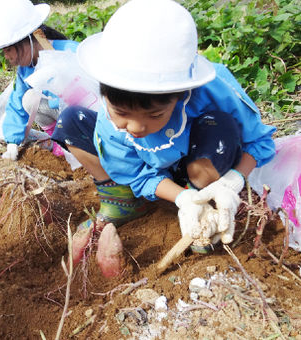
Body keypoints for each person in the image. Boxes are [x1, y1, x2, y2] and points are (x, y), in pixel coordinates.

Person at [51, 0, 276, 275]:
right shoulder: (111, 124)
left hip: (196, 162)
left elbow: (260, 142)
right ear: (105, 93)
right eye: (121, 112)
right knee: (71, 120)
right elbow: (136, 173)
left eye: (155, 115)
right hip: (156, 173)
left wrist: (232, 181)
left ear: (181, 94)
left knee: (218, 127)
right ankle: (123, 202)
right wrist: (182, 199)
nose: (134, 127)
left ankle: (205, 208)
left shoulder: (214, 90)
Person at [0, 0, 79, 161]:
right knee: (28, 99)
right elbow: (16, 104)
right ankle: (61, 143)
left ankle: (77, 146)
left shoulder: (69, 53)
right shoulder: (26, 69)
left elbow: (90, 98)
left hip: (85, 118)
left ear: (30, 39)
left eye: (9, 49)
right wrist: (12, 142)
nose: (7, 57)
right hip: (63, 118)